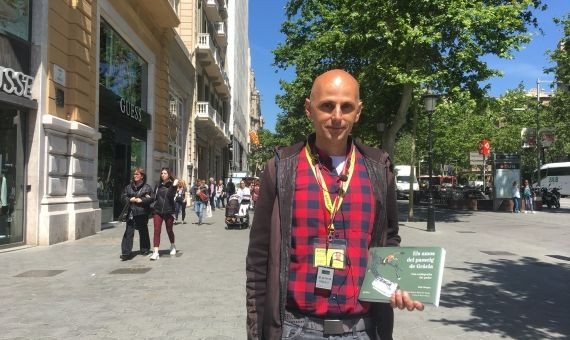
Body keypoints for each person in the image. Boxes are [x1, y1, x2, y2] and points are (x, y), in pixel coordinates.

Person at [246, 69, 423, 340]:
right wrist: (257, 333)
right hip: (295, 328)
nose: (337, 116)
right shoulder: (280, 169)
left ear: (358, 112)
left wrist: (398, 283)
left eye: (346, 107)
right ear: (309, 108)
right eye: (327, 105)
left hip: (363, 328)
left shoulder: (378, 169)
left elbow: (389, 241)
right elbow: (259, 259)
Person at [120, 167, 153, 260]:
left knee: (143, 232)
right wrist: (129, 199)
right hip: (131, 212)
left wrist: (141, 200)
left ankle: (145, 249)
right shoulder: (129, 187)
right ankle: (126, 253)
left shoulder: (147, 187)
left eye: (137, 174)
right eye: (134, 174)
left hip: (142, 212)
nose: (135, 176)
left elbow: (151, 198)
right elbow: (123, 197)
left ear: (142, 176)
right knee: (128, 233)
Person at [150, 168, 178, 260]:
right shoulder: (158, 185)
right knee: (156, 230)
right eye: (162, 173)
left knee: (169, 229)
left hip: (169, 211)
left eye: (165, 173)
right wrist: (150, 197)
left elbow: (170, 195)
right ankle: (156, 252)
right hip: (157, 211)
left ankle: (173, 245)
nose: (163, 175)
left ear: (169, 174)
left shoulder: (172, 185)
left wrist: (173, 186)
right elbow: (154, 195)